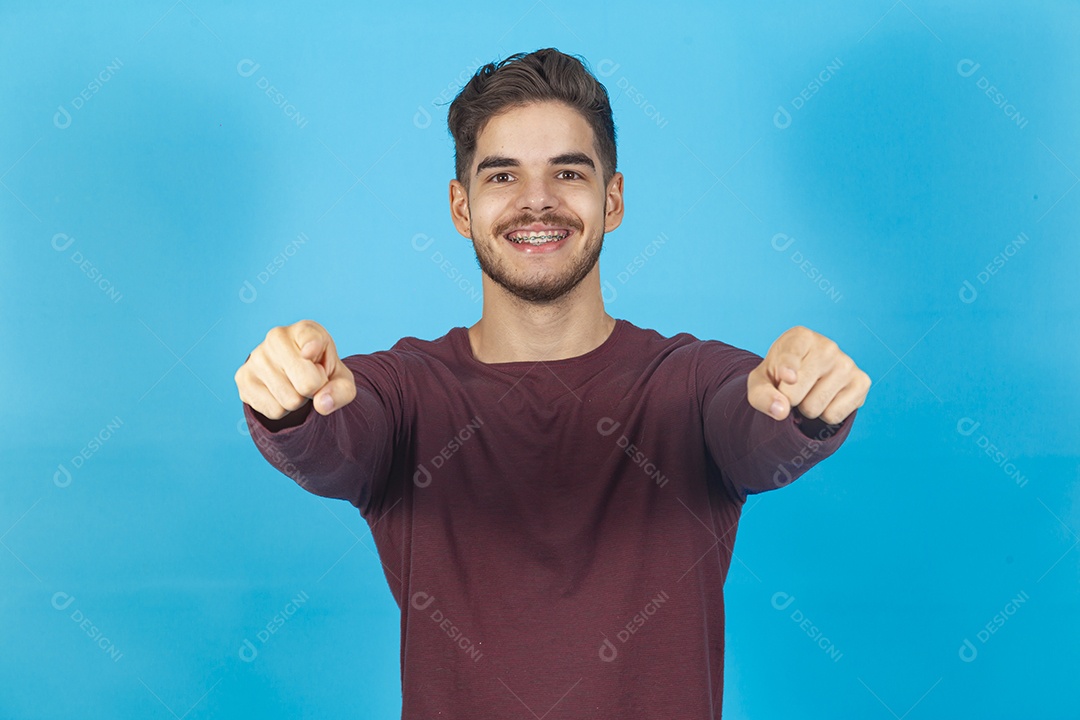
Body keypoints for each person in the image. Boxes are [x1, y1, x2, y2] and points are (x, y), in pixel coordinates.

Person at [235, 47, 870, 719]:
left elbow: (754, 429)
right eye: (502, 175)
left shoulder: (688, 382)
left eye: (567, 172)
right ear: (461, 207)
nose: (536, 200)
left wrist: (804, 402)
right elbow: (336, 439)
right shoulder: (406, 393)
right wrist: (293, 403)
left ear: (612, 199)